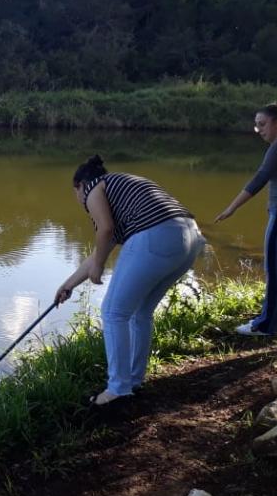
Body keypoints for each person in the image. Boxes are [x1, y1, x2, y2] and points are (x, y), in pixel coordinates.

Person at [55, 155, 204, 405]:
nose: (78, 199)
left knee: (113, 313)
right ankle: (133, 381)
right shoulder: (119, 187)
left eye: (75, 193)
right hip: (189, 239)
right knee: (140, 313)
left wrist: (99, 268)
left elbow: (105, 230)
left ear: (78, 185)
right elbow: (103, 245)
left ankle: (117, 390)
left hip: (156, 235)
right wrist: (69, 285)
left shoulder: (93, 188)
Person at [215, 101, 277, 336]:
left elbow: (259, 179)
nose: (259, 130)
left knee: (275, 270)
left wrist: (231, 208)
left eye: (263, 124)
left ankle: (266, 325)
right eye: (256, 126)